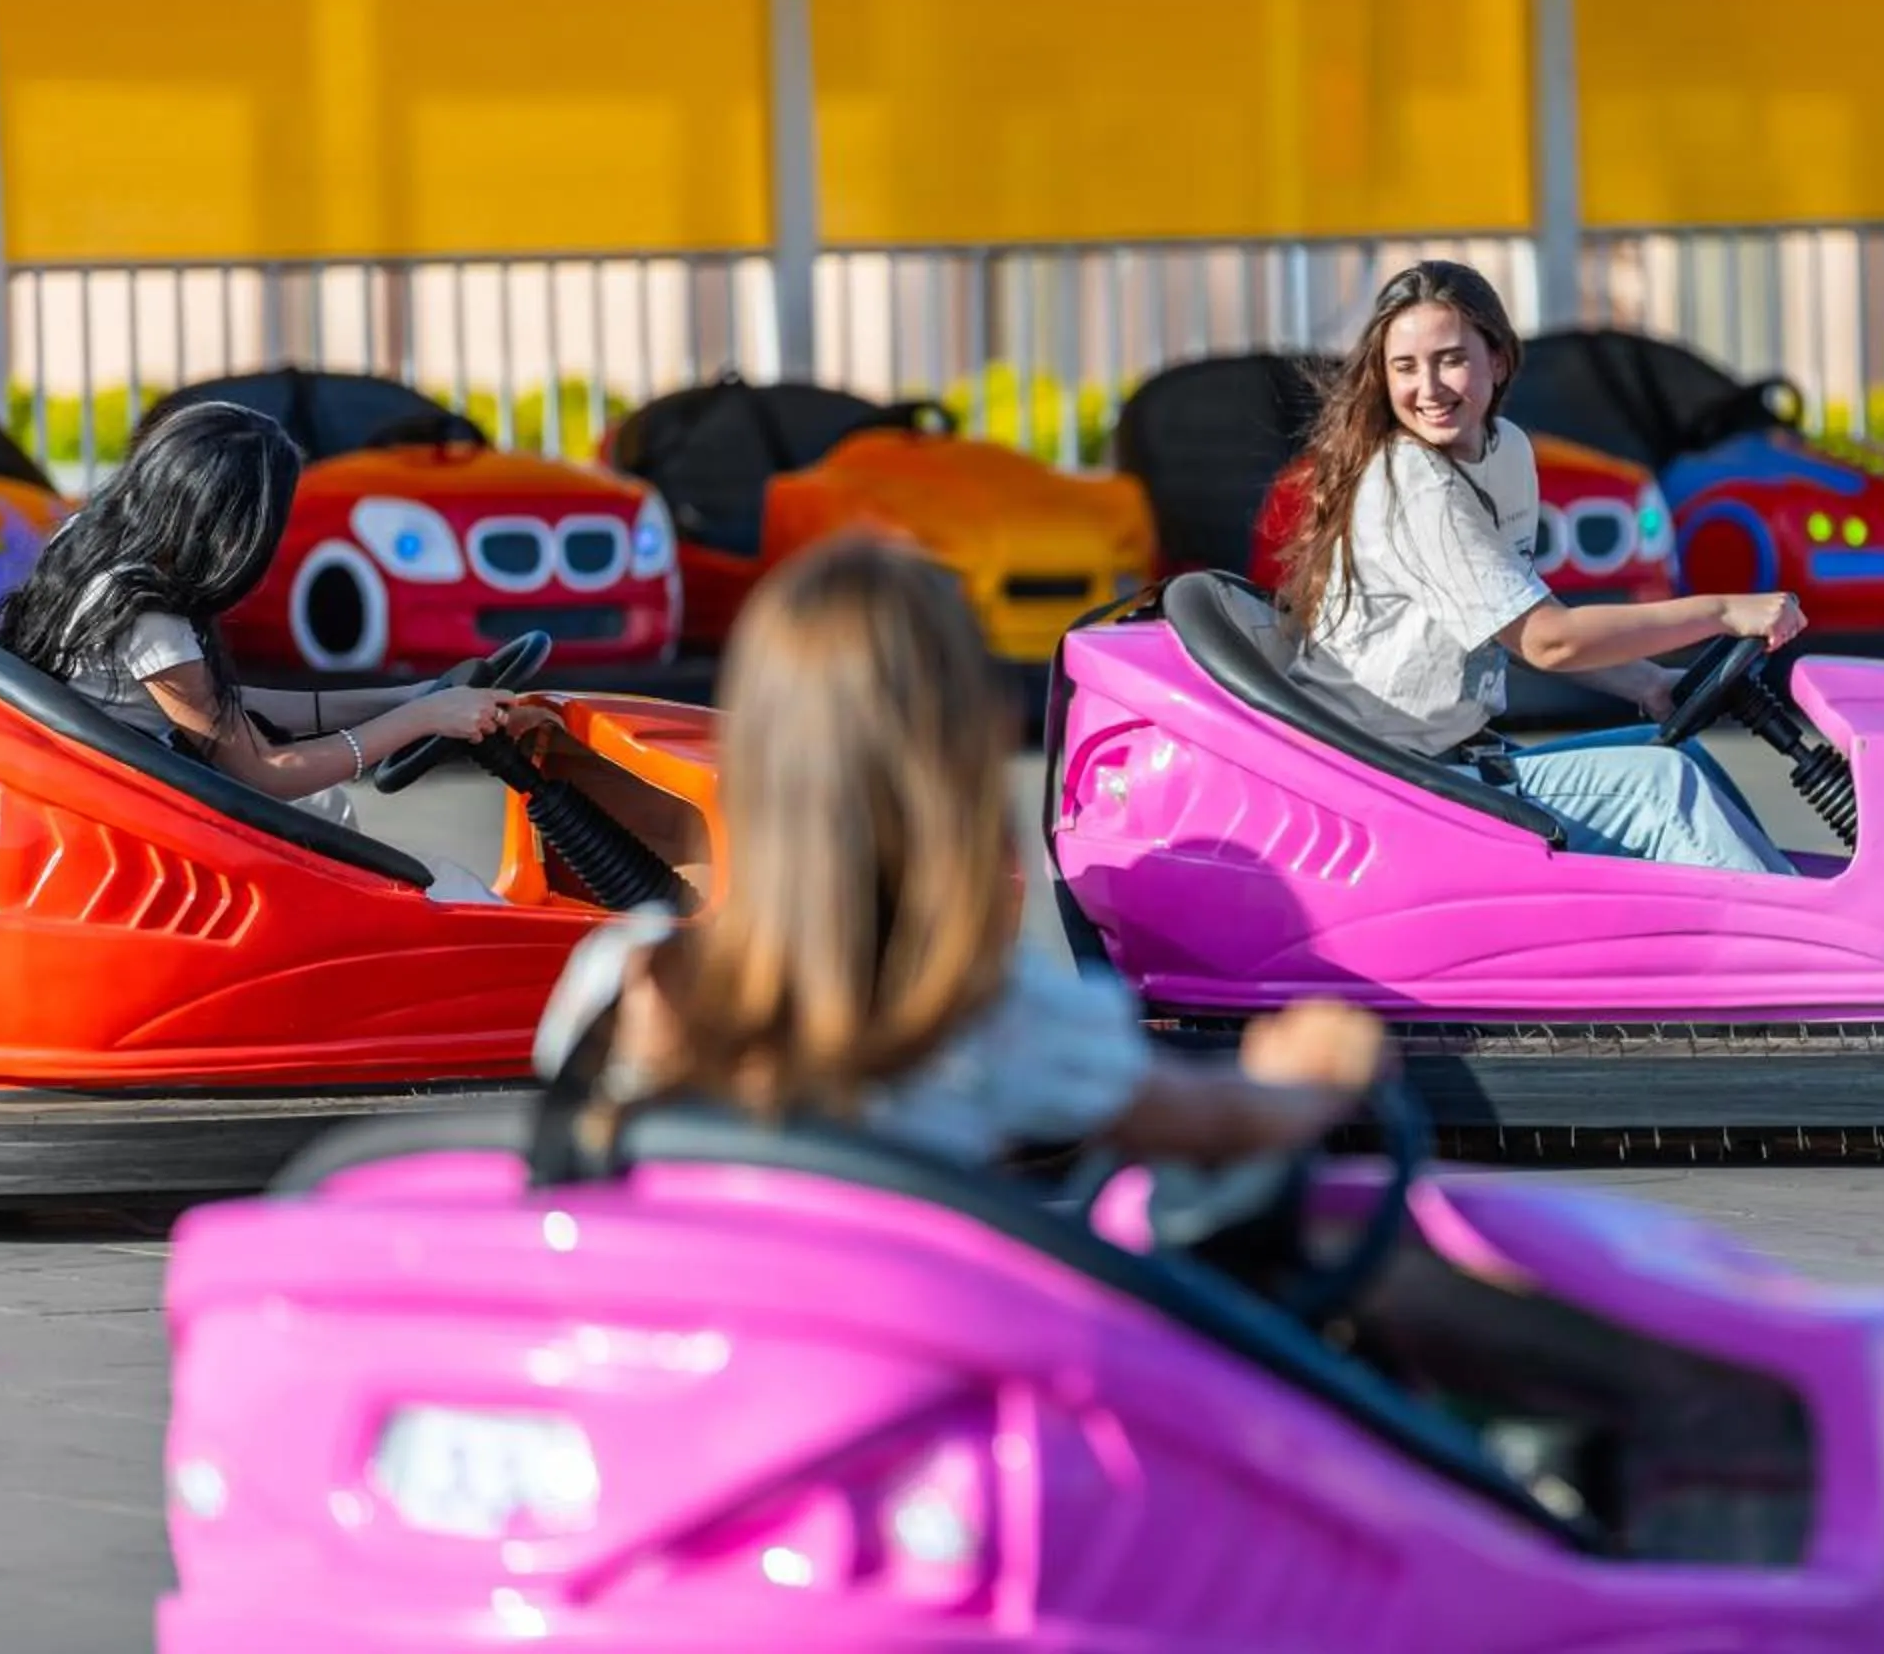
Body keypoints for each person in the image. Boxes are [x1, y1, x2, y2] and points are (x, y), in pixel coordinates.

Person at [532, 533, 1388, 1170]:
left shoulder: (616, 986)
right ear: (956, 759)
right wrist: (1315, 1073)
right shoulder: (994, 1017)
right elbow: (1217, 1125)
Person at [1275, 260, 1803, 875]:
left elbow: (1512, 621)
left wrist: (1648, 684)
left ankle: (1802, 921)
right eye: (1405, 367)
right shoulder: (1414, 484)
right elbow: (1549, 642)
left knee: (1691, 763)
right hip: (1391, 785)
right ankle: (1818, 961)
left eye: (1451, 359)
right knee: (1666, 790)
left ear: (1497, 360)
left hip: (1452, 763)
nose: (1429, 387)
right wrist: (1721, 610)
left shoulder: (1505, 454)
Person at [0, 400, 537, 901]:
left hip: (130, 812)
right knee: (454, 893)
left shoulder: (91, 551)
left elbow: (217, 706)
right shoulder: (148, 614)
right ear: (227, 528)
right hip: (154, 839)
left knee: (341, 823)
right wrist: (423, 718)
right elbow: (265, 770)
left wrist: (407, 699)